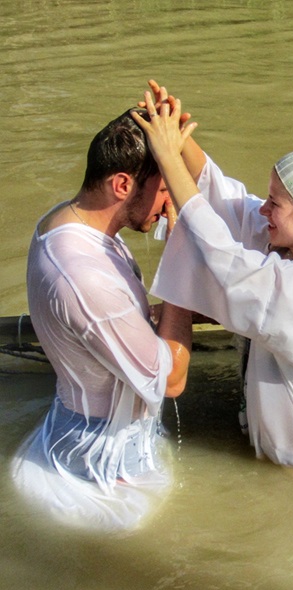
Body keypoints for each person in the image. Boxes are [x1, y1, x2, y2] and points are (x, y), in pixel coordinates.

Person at [132, 81, 293, 472]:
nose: (263, 210)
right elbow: (231, 203)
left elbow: (226, 264)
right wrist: (176, 139)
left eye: (274, 203)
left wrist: (168, 160)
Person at [10, 109, 193, 531]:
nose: (172, 204)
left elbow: (113, 319)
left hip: (80, 420)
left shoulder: (64, 222)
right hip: (105, 459)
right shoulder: (85, 277)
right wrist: (183, 261)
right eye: (166, 190)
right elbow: (172, 380)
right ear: (122, 184)